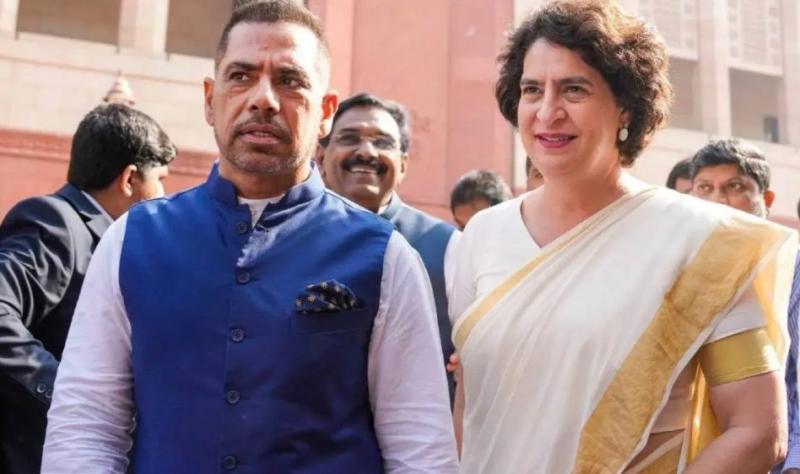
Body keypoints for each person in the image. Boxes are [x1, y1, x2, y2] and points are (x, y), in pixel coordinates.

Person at [41, 2, 458, 473]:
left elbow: (419, 448)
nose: (264, 99)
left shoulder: (383, 256)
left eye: (289, 80)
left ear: (325, 112)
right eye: (241, 76)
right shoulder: (132, 241)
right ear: (209, 99)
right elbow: (86, 422)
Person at [450, 1, 797, 472]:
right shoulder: (482, 235)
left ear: (627, 108)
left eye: (574, 89)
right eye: (532, 90)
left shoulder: (701, 242)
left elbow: (757, 431)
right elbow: (471, 405)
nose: (548, 111)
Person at [0, 103, 174, 474]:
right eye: (161, 179)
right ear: (130, 179)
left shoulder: (113, 244)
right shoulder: (59, 224)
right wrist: (69, 395)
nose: (163, 195)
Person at [317, 92, 460, 402]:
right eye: (349, 138)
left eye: (383, 142)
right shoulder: (290, 239)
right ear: (320, 157)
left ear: (403, 164)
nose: (366, 151)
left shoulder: (446, 247)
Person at [689, 138, 800, 473]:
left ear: (766, 199)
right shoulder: (684, 271)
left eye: (734, 187)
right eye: (705, 188)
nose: (718, 200)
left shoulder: (792, 270)